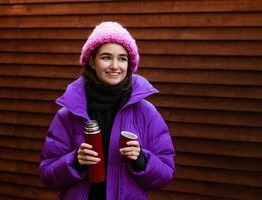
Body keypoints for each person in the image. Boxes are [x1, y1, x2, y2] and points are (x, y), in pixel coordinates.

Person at [39, 21, 175, 200]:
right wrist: (75, 162)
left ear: (130, 65)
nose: (115, 66)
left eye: (122, 58)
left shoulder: (146, 112)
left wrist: (141, 159)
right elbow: (48, 174)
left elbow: (166, 173)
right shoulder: (68, 114)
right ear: (92, 62)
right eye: (106, 57)